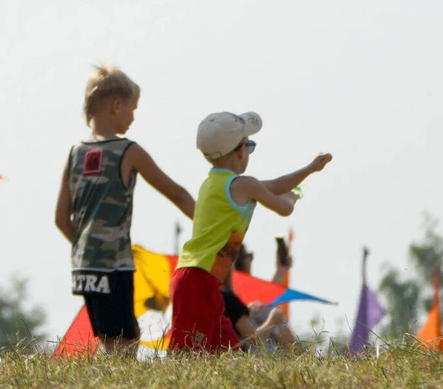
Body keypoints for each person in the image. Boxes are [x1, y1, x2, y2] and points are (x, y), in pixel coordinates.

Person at [53, 65, 196, 356]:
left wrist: (88, 248)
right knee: (122, 343)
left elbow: (60, 218)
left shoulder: (75, 153)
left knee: (115, 336)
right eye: (133, 109)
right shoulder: (128, 151)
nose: (133, 117)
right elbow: (176, 193)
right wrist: (212, 227)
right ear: (116, 106)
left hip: (84, 264)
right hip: (115, 264)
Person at [165, 111, 330, 353]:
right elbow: (282, 206)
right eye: (249, 146)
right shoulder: (245, 185)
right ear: (241, 151)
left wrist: (309, 169)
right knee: (185, 355)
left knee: (230, 352)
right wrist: (293, 198)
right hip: (198, 280)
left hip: (201, 280)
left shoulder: (211, 184)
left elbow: (273, 186)